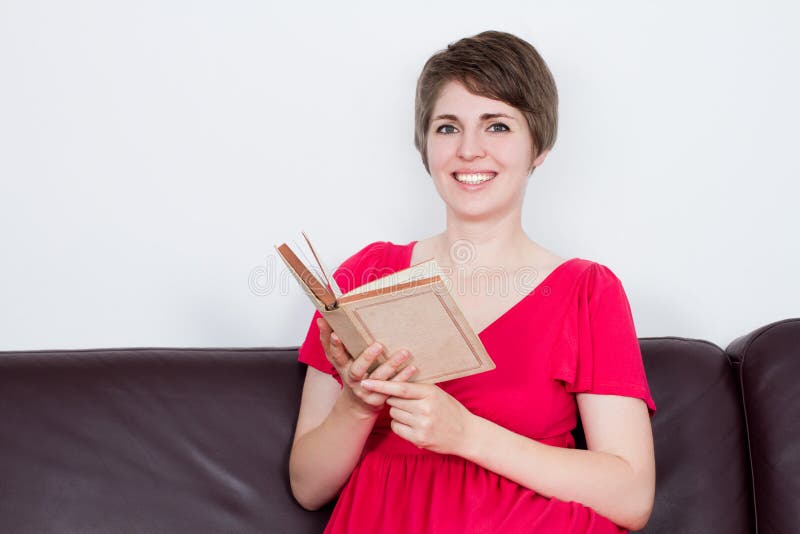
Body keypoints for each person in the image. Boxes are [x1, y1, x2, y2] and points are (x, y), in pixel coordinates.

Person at [288, 30, 657, 533]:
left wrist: (465, 434)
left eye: (498, 126)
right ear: (426, 147)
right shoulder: (367, 276)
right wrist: (357, 403)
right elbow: (308, 488)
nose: (469, 150)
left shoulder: (586, 291)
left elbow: (631, 495)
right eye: (447, 128)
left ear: (539, 146)